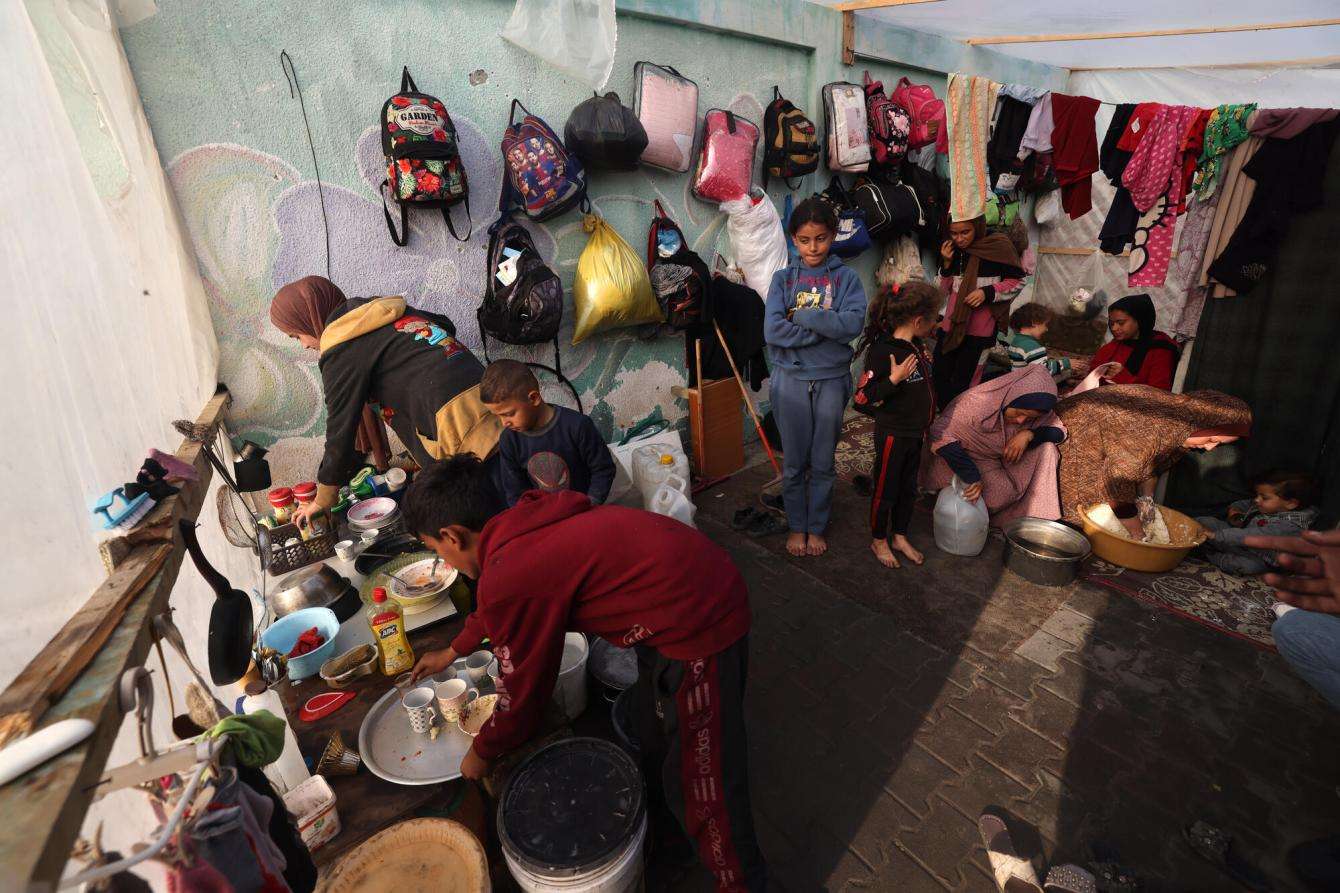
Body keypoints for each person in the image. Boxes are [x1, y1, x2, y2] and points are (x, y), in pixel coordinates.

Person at [403, 456, 767, 891]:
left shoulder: (509, 571)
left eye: (434, 551)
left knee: (705, 783)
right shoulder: (515, 525)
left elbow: (525, 694)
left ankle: (740, 882)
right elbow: (499, 603)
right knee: (654, 742)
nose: (439, 562)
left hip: (699, 619)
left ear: (451, 536)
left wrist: (482, 751)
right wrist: (453, 649)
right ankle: (671, 846)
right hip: (671, 603)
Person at [269, 276, 501, 526]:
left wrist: (323, 500)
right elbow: (444, 324)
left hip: (458, 419)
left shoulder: (340, 344)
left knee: (490, 512)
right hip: (493, 392)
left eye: (296, 335)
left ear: (310, 317)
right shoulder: (380, 311)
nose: (304, 345)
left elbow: (340, 428)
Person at [764, 197, 867, 558]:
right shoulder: (783, 280)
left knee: (823, 460)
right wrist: (827, 328)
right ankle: (796, 525)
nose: (813, 247)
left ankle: (817, 525)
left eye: (821, 238)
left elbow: (852, 324)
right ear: (793, 239)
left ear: (832, 236)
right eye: (805, 240)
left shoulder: (846, 279)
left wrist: (802, 317)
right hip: (789, 380)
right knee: (794, 462)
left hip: (831, 379)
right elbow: (773, 331)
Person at [1053, 385, 1250, 524]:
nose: (1209, 449)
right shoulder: (1155, 424)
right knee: (1084, 506)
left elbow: (1149, 467)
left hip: (1099, 440)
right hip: (1073, 432)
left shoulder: (1179, 427)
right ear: (1203, 425)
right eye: (1211, 440)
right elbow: (1118, 482)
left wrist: (1146, 502)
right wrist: (1138, 536)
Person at [854, 281, 943, 568]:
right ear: (918, 321)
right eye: (933, 320)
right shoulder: (884, 352)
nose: (935, 326)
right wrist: (893, 380)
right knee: (885, 487)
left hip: (916, 433)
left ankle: (900, 535)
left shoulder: (917, 346)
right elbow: (862, 397)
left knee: (908, 488)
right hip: (893, 433)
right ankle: (878, 538)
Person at [922, 364, 1066, 527]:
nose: (1021, 421)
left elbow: (1059, 432)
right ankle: (946, 500)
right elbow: (938, 434)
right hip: (961, 458)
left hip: (995, 460)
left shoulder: (1033, 413)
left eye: (1028, 418)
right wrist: (971, 476)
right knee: (986, 498)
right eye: (1019, 413)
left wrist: (1029, 434)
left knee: (1047, 450)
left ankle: (1033, 517)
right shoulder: (977, 403)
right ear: (1011, 397)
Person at [478, 359, 614, 507]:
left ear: (534, 398)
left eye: (509, 414)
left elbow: (603, 469)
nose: (504, 423)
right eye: (497, 416)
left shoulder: (577, 426)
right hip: (545, 519)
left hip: (586, 511)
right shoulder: (509, 441)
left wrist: (591, 504)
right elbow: (515, 493)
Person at [934, 216, 1025, 408]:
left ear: (977, 227)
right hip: (951, 325)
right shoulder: (952, 250)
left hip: (980, 329)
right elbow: (942, 292)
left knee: (967, 378)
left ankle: (961, 419)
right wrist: (946, 264)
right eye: (954, 233)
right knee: (940, 373)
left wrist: (987, 293)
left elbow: (1018, 282)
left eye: (965, 232)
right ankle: (940, 419)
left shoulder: (998, 246)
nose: (959, 239)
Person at [1196, 470, 1319, 575]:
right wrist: (1235, 511)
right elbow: (1244, 504)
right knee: (1204, 521)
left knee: (1247, 566)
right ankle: (1204, 541)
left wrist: (1216, 536)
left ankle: (1209, 555)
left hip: (1260, 558)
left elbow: (1251, 536)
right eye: (1257, 495)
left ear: (1290, 503)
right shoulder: (1265, 504)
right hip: (1238, 539)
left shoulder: (1289, 526)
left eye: (1264, 497)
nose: (1257, 499)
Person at [1088, 293, 1180, 391]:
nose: (1114, 328)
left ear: (1140, 320)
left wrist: (1122, 376)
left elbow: (1159, 394)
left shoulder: (1160, 350)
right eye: (1111, 323)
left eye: (1121, 323)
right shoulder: (1118, 342)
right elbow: (1095, 368)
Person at [998, 302, 1081, 380]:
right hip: (1029, 384)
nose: (1046, 329)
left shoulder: (1017, 340)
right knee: (1065, 372)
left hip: (1018, 380)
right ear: (1034, 323)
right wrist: (1066, 363)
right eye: (1045, 325)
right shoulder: (1030, 345)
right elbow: (1043, 371)